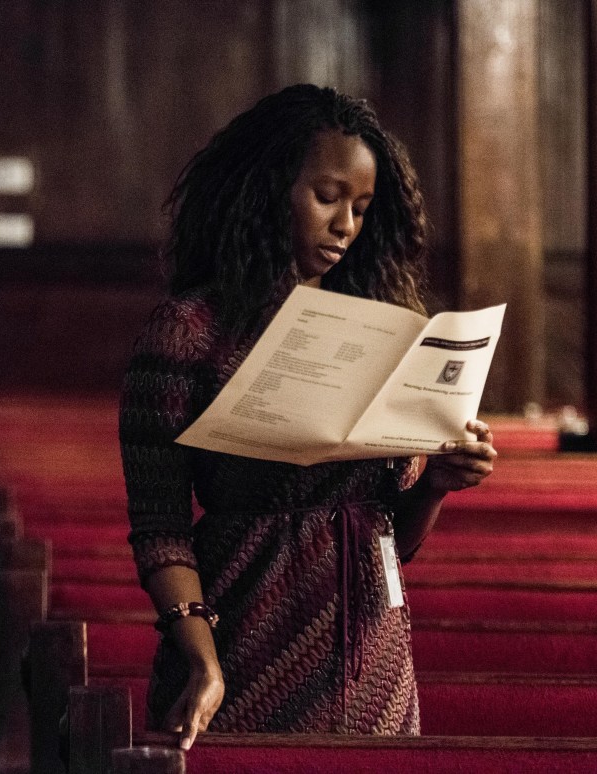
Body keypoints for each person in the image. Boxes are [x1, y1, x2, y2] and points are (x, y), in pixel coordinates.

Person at [118, 84, 497, 748]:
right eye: (327, 197)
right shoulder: (191, 331)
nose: (346, 225)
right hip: (236, 638)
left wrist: (437, 481)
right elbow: (160, 529)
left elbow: (385, 535)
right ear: (267, 190)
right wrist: (202, 659)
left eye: (361, 207)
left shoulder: (391, 330)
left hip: (373, 655)